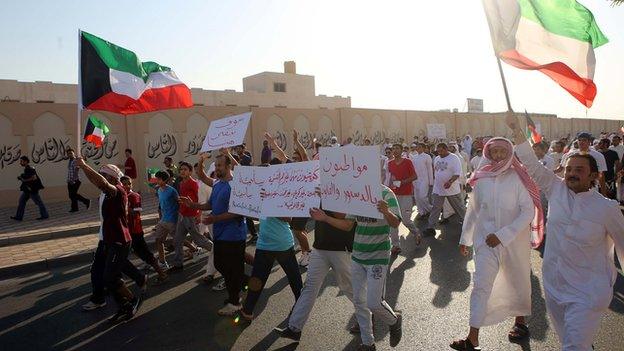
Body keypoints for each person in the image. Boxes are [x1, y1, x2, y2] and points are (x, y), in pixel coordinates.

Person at [506, 112, 624, 350]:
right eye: (569, 168)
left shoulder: (606, 208)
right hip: (555, 286)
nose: (572, 173)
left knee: (573, 346)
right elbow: (531, 164)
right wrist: (517, 132)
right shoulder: (556, 189)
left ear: (593, 175)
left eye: (579, 170)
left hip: (588, 292)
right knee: (570, 340)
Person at [450, 137, 542, 351]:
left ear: (510, 153)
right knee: (481, 286)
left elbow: (528, 211)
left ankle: (520, 322)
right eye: (495, 151)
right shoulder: (481, 178)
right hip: (485, 243)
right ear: (488, 154)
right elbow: (473, 210)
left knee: (517, 282)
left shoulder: (519, 178)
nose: (498, 155)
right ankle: (472, 338)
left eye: (503, 151)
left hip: (514, 242)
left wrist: (503, 235)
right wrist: (466, 239)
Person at [308, 184, 403, 351]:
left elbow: (395, 223)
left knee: (374, 303)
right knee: (359, 301)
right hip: (358, 256)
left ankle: (394, 321)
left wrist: (386, 212)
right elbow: (347, 225)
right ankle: (368, 343)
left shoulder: (387, 194)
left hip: (378, 257)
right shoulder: (357, 193)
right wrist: (324, 218)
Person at [277, 204, 359, 341]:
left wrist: (324, 199)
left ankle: (369, 314)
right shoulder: (319, 186)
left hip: (341, 248)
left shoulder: (345, 186)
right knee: (309, 287)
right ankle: (294, 328)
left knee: (349, 287)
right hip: (320, 247)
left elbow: (345, 217)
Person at [75, 161, 144, 322]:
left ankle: (133, 300)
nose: (101, 177)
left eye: (104, 174)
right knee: (108, 276)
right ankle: (123, 305)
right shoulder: (107, 192)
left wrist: (84, 166)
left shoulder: (118, 190)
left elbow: (102, 182)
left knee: (109, 277)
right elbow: (98, 182)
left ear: (112, 178)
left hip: (119, 241)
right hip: (108, 240)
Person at [180, 154, 247, 316]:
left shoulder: (235, 185)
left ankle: (235, 302)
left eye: (219, 166)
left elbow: (238, 211)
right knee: (222, 265)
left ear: (228, 166)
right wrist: (193, 204)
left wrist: (214, 218)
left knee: (230, 267)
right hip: (220, 233)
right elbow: (210, 203)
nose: (216, 168)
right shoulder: (217, 184)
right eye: (215, 165)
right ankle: (241, 286)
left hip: (234, 234)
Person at [239, 185, 302, 321]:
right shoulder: (259, 195)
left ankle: (301, 308)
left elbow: (288, 218)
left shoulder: (282, 194)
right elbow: (257, 215)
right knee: (257, 279)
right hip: (264, 244)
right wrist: (241, 208)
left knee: (294, 278)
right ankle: (247, 310)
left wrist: (269, 203)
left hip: (282, 245)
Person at [121, 176, 168, 284]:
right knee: (132, 253)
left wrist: (126, 208)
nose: (127, 186)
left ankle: (162, 274)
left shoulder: (134, 196)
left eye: (129, 184)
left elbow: (137, 211)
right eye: (124, 184)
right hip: (126, 231)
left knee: (145, 254)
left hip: (135, 231)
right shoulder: (122, 196)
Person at [169, 162, 213, 272]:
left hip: (191, 216)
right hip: (182, 215)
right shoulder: (181, 183)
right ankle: (178, 264)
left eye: (185, 169)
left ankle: (218, 251)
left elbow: (199, 199)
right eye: (181, 169)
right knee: (177, 240)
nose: (182, 171)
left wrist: (199, 214)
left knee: (199, 240)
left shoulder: (193, 183)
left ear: (190, 172)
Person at [423, 143, 466, 237]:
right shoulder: (437, 158)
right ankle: (431, 227)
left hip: (452, 189)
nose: (439, 153)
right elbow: (436, 171)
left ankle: (467, 224)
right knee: (436, 208)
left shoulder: (454, 158)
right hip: (438, 189)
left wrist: (450, 182)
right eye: (438, 151)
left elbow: (457, 173)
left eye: (441, 151)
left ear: (446, 149)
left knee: (459, 207)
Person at [387, 143, 420, 249]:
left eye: (397, 148)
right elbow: (389, 177)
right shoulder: (390, 163)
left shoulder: (407, 162)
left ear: (402, 151)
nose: (395, 150)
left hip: (406, 194)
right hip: (394, 195)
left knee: (406, 220)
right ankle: (395, 245)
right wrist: (392, 183)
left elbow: (415, 176)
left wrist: (402, 182)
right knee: (393, 220)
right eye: (393, 149)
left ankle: (416, 233)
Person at [555, 132, 607, 196]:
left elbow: (601, 175)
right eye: (579, 140)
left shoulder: (598, 156)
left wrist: (603, 193)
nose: (581, 142)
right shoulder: (569, 155)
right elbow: (561, 168)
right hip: (572, 189)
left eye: (584, 140)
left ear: (589, 142)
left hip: (590, 189)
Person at [154, 171, 179, 270]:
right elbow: (160, 205)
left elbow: (179, 203)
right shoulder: (159, 190)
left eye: (159, 179)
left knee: (178, 240)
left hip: (172, 220)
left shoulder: (172, 191)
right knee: (158, 240)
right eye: (157, 179)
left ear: (165, 180)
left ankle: (194, 249)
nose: (157, 181)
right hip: (163, 220)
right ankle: (162, 262)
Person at [11, 156, 48, 221]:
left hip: (32, 189)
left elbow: (34, 177)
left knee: (39, 202)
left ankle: (45, 215)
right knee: (21, 201)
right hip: (27, 189)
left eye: (22, 161)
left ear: (26, 161)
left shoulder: (30, 168)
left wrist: (24, 180)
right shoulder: (26, 169)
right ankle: (19, 217)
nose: (21, 163)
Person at [409, 143, 433, 220]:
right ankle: (422, 212)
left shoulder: (427, 157)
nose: (417, 148)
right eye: (417, 147)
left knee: (423, 197)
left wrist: (431, 181)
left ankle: (431, 209)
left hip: (424, 179)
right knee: (417, 197)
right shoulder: (414, 157)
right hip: (415, 180)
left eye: (419, 147)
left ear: (423, 148)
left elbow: (430, 169)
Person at [66, 148, 91, 212]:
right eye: (68, 154)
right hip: (70, 180)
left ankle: (86, 201)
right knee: (71, 195)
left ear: (73, 153)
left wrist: (73, 180)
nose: (70, 155)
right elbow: (70, 171)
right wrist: (69, 180)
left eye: (71, 153)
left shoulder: (76, 160)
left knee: (73, 194)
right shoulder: (70, 161)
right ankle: (75, 208)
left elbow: (76, 170)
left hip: (76, 180)